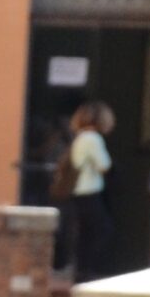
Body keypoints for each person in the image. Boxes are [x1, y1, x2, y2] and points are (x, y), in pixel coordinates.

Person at [56, 102, 116, 281]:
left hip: (78, 193)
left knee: (85, 233)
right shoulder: (93, 138)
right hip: (88, 192)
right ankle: (85, 270)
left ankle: (80, 270)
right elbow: (104, 165)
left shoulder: (81, 136)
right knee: (101, 230)